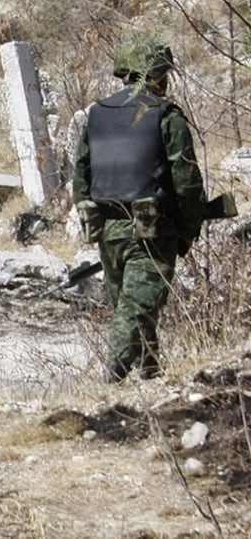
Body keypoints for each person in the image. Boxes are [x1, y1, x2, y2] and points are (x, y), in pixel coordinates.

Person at [72, 35, 207, 383]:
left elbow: (80, 176)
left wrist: (94, 221)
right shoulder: (166, 116)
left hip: (109, 235)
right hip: (149, 232)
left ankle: (151, 376)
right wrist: (189, 231)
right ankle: (110, 383)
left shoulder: (96, 115)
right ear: (159, 74)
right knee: (135, 311)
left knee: (132, 307)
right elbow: (187, 182)